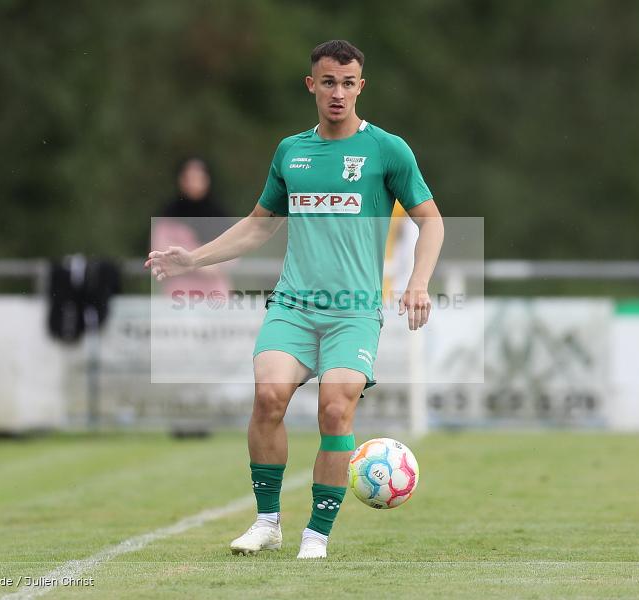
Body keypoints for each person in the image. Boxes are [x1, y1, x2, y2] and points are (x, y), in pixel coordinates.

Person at [146, 40, 444, 559]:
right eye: (328, 82)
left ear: (360, 87)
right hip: (293, 306)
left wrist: (418, 282)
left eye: (347, 83)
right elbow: (257, 227)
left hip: (353, 310)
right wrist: (193, 260)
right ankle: (267, 522)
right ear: (312, 85)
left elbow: (431, 221)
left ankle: (316, 536)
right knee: (268, 398)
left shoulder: (387, 150)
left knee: (335, 408)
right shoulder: (291, 152)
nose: (338, 93)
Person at [151, 157, 230, 298]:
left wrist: (191, 259)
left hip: (214, 292)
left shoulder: (219, 214)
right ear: (181, 180)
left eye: (198, 178)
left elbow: (232, 253)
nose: (194, 183)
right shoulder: (170, 214)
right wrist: (202, 263)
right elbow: (160, 249)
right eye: (190, 178)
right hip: (179, 292)